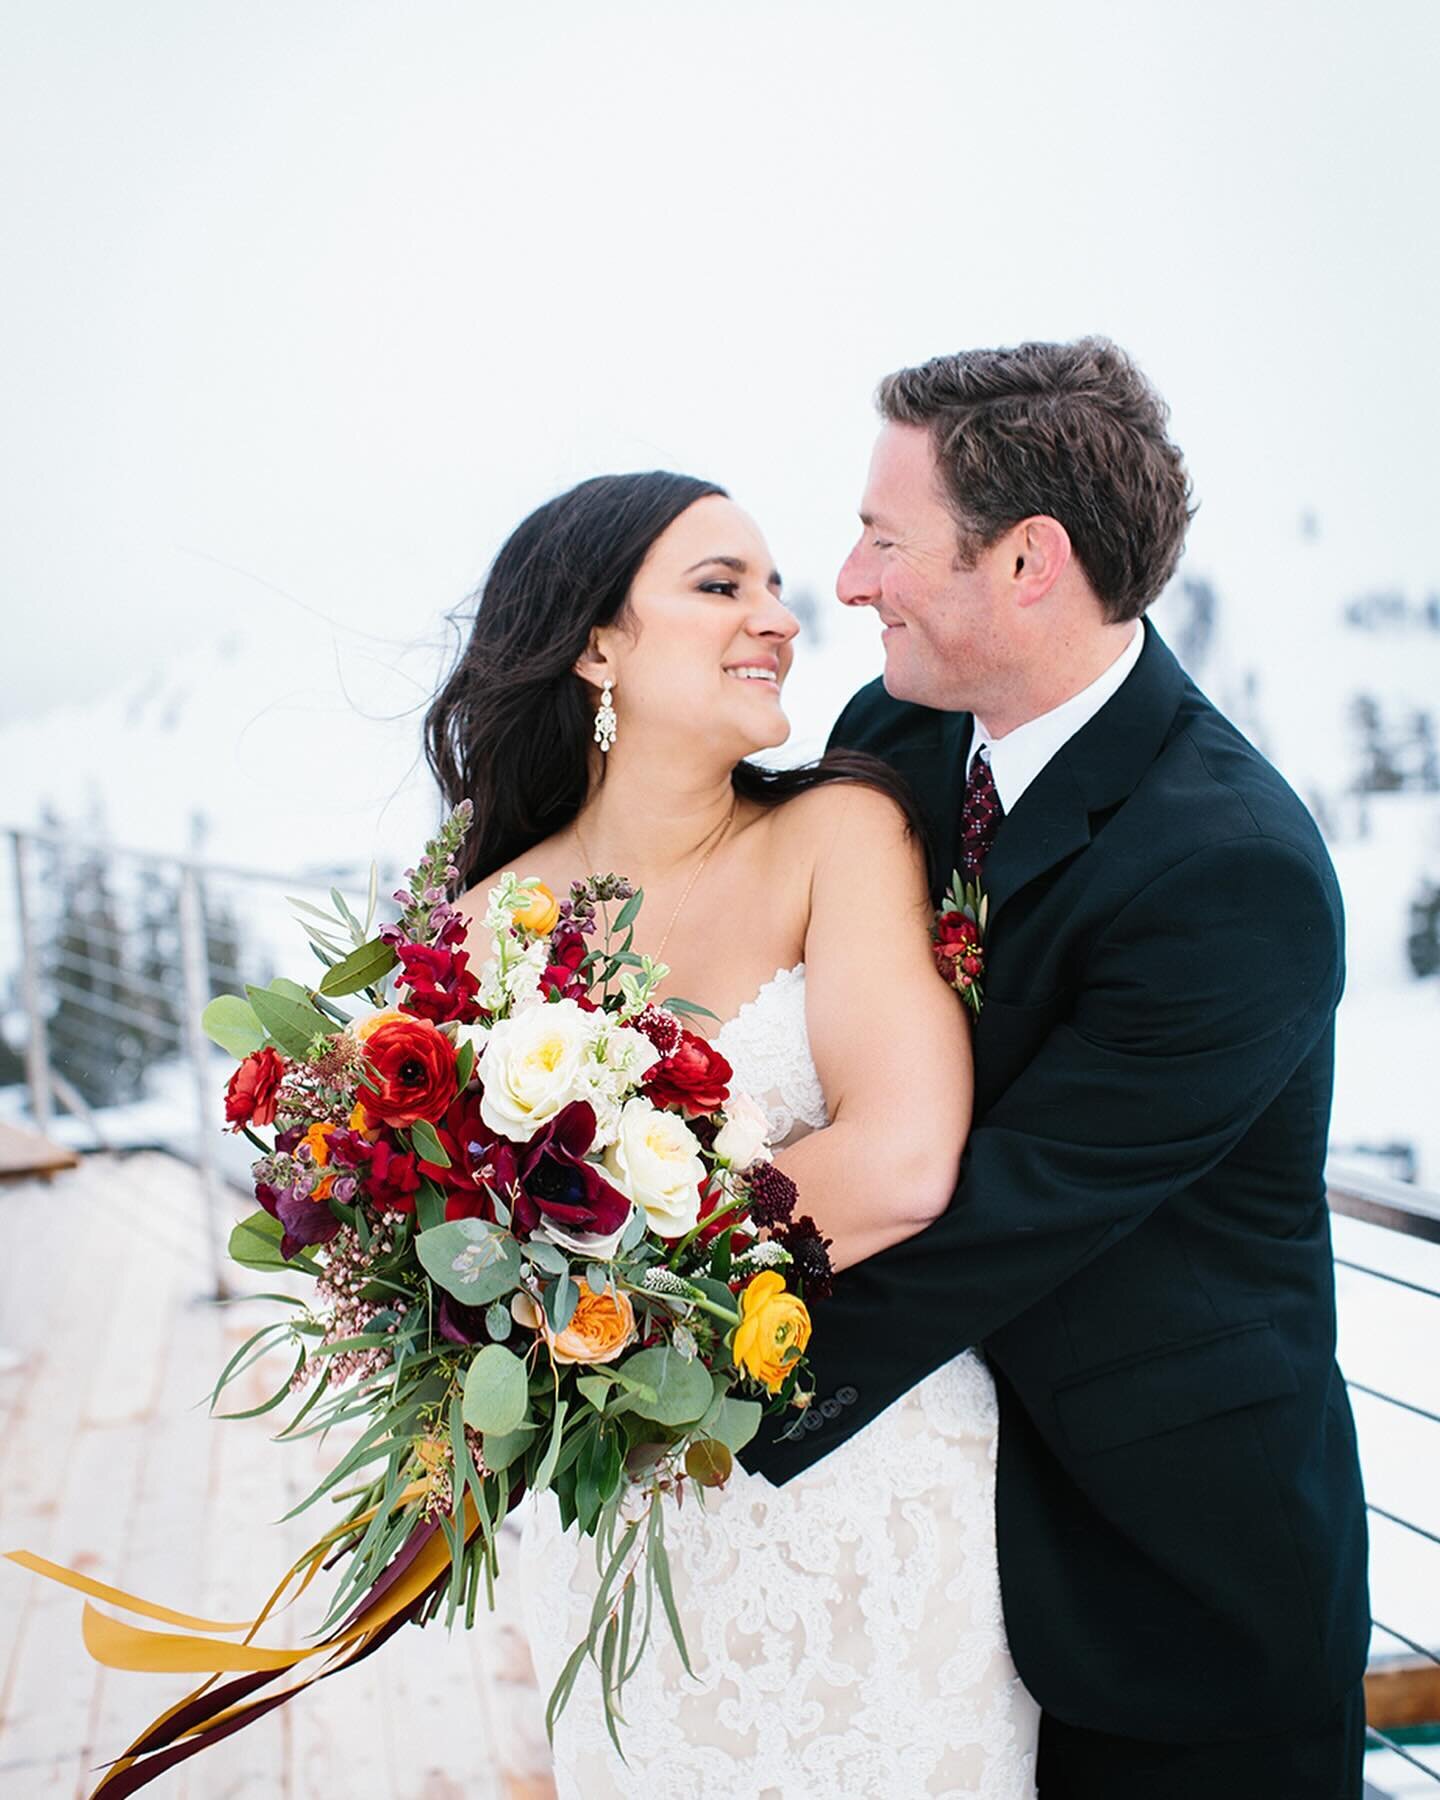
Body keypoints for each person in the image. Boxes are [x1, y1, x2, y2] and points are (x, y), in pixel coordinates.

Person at [738, 338, 1371, 1797]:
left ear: (1029, 562)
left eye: (886, 540)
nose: (847, 581)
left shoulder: (1232, 871)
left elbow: (994, 1213)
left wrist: (631, 1360)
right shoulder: (890, 734)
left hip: (1170, 1571)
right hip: (937, 1532)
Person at [427, 471, 1041, 1797]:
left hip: (866, 1493)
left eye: (774, 587)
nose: (779, 616)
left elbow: (901, 1162)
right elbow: (442, 1236)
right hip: (625, 1524)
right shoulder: (486, 923)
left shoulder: (838, 830)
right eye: (721, 586)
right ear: (598, 644)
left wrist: (595, 1295)